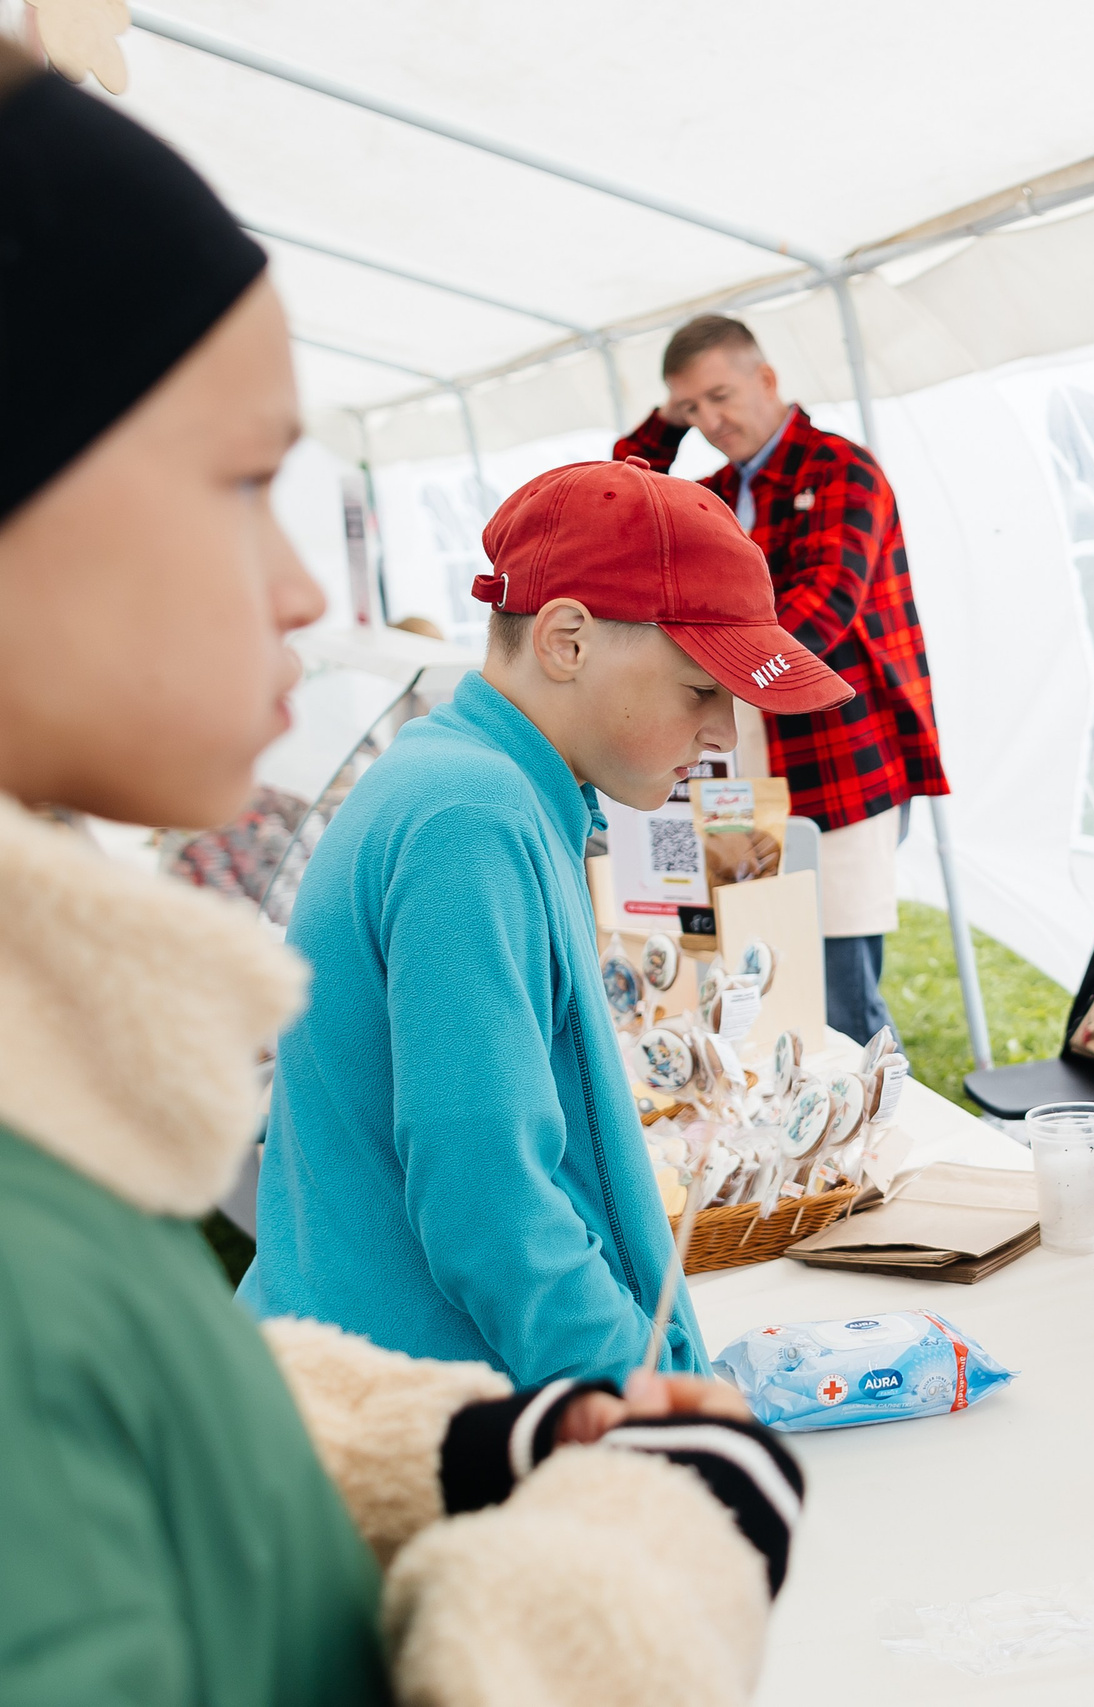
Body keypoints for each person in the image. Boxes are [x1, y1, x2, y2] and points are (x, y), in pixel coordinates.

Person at [0, 49, 800, 1704]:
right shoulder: (468, 813)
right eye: (243, 482)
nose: (308, 592)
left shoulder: (491, 797)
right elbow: (481, 1175)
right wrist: (642, 1454)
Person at [246, 457, 855, 1384]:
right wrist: (641, 1391)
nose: (724, 733)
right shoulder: (472, 819)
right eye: (701, 689)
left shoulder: (484, 787)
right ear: (567, 640)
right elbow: (488, 1200)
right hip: (424, 1402)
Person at [616, 315, 947, 1042]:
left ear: (766, 378)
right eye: (690, 408)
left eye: (719, 396)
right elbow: (618, 506)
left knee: (840, 992)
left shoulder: (842, 470)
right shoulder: (711, 490)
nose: (710, 420)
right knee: (749, 971)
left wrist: (696, 672)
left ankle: (872, 1115)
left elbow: (823, 608)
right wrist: (662, 428)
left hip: (839, 761)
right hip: (739, 762)